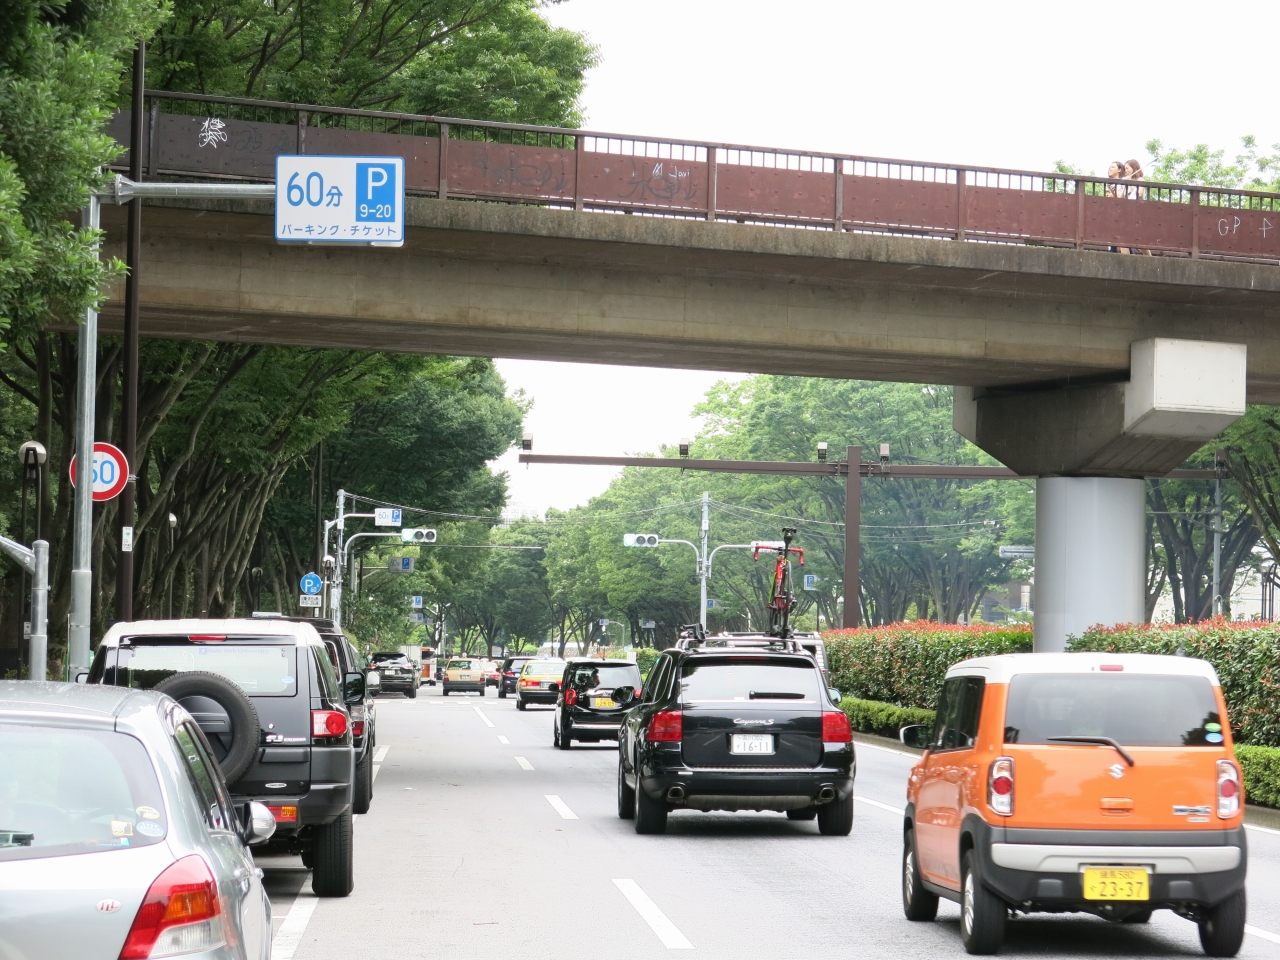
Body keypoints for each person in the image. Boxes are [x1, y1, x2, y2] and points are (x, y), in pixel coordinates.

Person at [1125, 159, 1154, 254]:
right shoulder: (1126, 180)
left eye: (1127, 168)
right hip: (1128, 209)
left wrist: (1130, 183)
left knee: (1140, 238)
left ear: (1134, 168)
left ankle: (1149, 258)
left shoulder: (1140, 179)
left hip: (1138, 209)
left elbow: (1139, 193)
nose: (1126, 171)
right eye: (1125, 169)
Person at [1106, 160, 1130, 253]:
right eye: (1109, 167)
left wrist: (1113, 193)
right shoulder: (1110, 183)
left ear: (1119, 169)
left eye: (1113, 167)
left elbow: (1120, 198)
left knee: (1122, 240)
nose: (1110, 169)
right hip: (1113, 215)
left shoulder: (1123, 182)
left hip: (1122, 215)